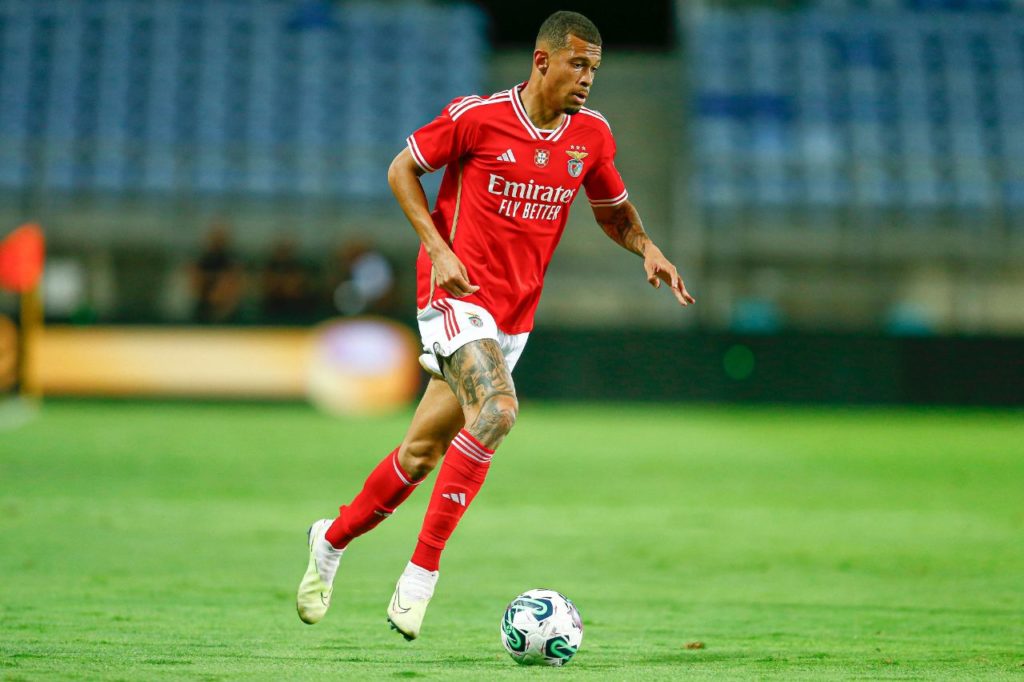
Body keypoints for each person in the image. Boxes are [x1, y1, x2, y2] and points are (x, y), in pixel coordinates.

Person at [296, 10, 695, 640]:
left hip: (513, 319)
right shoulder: (477, 118)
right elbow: (402, 169)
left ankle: (331, 538)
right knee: (500, 410)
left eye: (594, 68)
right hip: (454, 296)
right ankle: (422, 573)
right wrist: (438, 247)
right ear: (542, 61)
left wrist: (645, 247)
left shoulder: (591, 136)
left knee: (421, 453)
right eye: (578, 64)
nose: (588, 79)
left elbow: (613, 211)